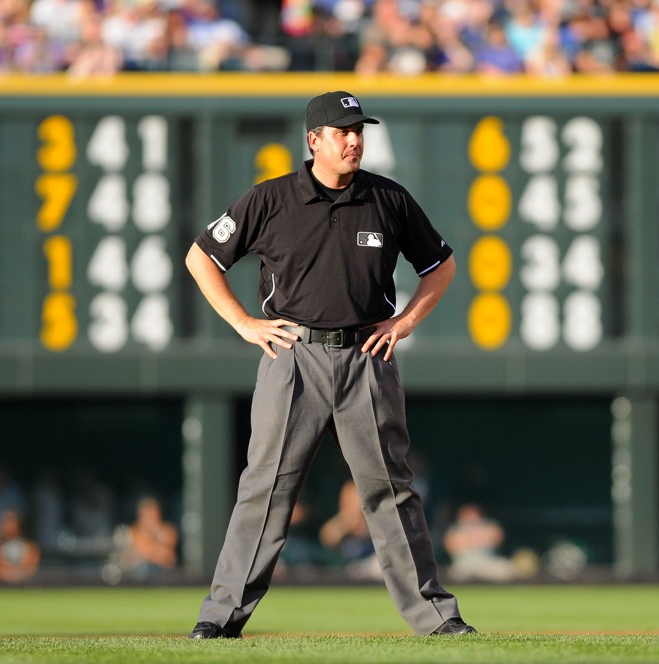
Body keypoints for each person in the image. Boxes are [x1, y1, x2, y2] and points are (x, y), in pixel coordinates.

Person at [185, 91, 474, 638]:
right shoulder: (270, 199)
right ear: (313, 140)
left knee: (390, 489)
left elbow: (441, 266)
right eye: (342, 131)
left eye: (359, 129)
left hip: (367, 354)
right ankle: (219, 619)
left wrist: (405, 322)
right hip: (292, 355)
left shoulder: (387, 199)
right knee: (266, 489)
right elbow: (201, 257)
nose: (354, 139)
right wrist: (245, 324)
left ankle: (437, 619)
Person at [318, 480, 381, 581]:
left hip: (369, 574)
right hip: (343, 573)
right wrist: (346, 520)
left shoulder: (374, 521)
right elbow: (327, 538)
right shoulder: (341, 522)